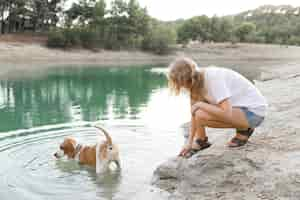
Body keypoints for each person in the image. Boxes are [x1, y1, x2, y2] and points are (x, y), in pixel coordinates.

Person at [167, 57, 268, 158]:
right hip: (239, 110)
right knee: (198, 114)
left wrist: (200, 104)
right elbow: (193, 114)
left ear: (190, 78)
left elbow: (226, 112)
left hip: (254, 113)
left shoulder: (213, 78)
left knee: (200, 112)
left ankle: (245, 128)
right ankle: (201, 141)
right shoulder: (197, 82)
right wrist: (189, 143)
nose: (183, 87)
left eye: (183, 83)